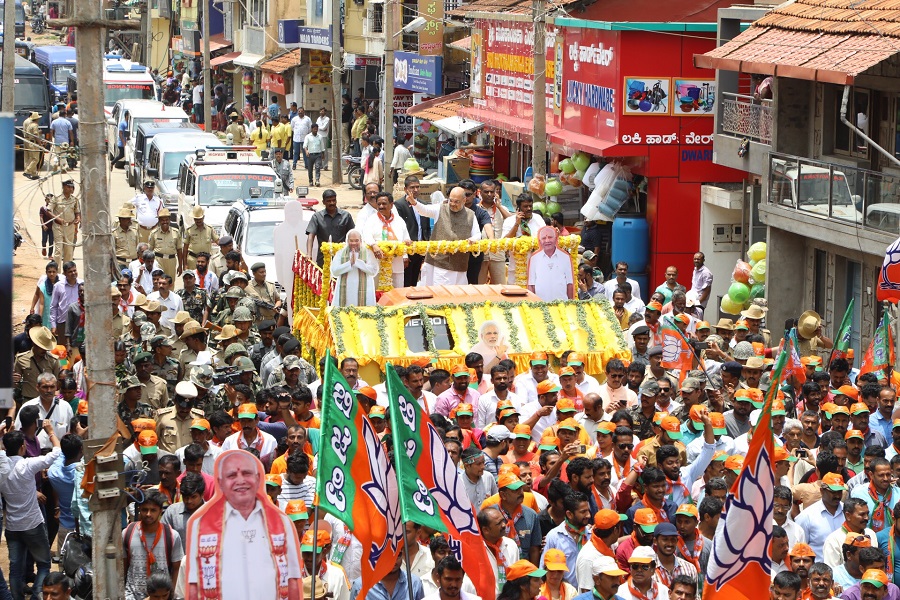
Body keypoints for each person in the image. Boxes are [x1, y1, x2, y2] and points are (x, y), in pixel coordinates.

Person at [185, 450, 302, 599]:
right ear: (220, 482)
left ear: (258, 478)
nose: (240, 481)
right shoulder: (201, 524)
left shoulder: (281, 522)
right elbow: (194, 584)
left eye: (246, 473)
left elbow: (292, 579)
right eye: (232, 475)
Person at [1, 423, 61, 600]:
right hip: (32, 523)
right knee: (43, 565)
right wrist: (51, 433)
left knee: (15, 569)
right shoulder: (27, 465)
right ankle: (36, 597)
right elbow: (56, 453)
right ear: (22, 447)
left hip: (12, 526)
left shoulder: (1, 468)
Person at [409, 187, 482, 285]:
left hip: (460, 262)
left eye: (456, 202)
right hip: (439, 261)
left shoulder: (471, 215)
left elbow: (477, 234)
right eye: (450, 200)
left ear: (464, 200)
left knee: (457, 294)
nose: (452, 204)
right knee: (439, 292)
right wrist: (415, 203)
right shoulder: (440, 208)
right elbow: (424, 210)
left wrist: (472, 240)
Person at [362, 192, 410, 288]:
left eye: (384, 203)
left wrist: (405, 255)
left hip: (397, 263)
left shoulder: (399, 220)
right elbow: (366, 235)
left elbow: (406, 238)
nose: (381, 206)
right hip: (377, 263)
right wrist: (374, 245)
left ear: (391, 205)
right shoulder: (372, 220)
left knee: (397, 292)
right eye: (378, 204)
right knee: (377, 293)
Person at [503, 194, 546, 284]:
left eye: (530, 206)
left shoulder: (538, 218)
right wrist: (516, 224)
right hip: (517, 268)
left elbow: (545, 237)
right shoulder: (509, 221)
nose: (529, 209)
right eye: (525, 206)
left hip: (537, 266)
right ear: (518, 208)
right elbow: (505, 242)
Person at [305, 189, 355, 267]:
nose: (332, 203)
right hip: (323, 259)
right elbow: (311, 236)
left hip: (343, 258)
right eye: (328, 201)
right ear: (323, 202)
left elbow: (353, 235)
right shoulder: (317, 217)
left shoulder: (346, 216)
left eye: (334, 200)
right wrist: (309, 253)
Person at [331, 229, 378, 307]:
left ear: (361, 241)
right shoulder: (340, 253)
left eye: (356, 240)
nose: (354, 243)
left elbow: (374, 271)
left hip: (365, 293)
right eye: (351, 240)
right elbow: (334, 272)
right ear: (347, 241)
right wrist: (349, 264)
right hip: (346, 293)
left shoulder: (368, 252)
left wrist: (358, 263)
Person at [527, 226, 573, 301]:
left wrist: (571, 303)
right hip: (541, 305)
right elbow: (531, 285)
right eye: (544, 238)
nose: (547, 241)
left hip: (562, 304)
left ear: (556, 239)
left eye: (550, 237)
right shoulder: (534, 258)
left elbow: (570, 284)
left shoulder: (565, 257)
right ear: (540, 241)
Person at [48, 180, 80, 264]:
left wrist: (78, 218)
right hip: (58, 227)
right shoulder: (56, 199)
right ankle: (57, 274)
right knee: (58, 250)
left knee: (69, 251)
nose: (71, 189)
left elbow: (77, 211)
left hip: (70, 227)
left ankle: (67, 274)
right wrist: (57, 219)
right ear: (63, 187)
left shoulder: (75, 200)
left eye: (72, 187)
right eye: (68, 187)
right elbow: (49, 211)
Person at [132, 180, 164, 245]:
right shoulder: (139, 198)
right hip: (142, 230)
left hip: (154, 230)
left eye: (151, 188)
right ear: (144, 188)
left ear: (154, 188)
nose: (150, 189)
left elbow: (162, 214)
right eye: (148, 187)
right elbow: (127, 205)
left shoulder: (158, 201)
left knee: (154, 250)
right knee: (142, 250)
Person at [23, 111, 43, 180]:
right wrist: (40, 144)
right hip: (33, 142)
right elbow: (35, 135)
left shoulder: (30, 124)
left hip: (28, 141)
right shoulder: (35, 125)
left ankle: (34, 174)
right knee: (35, 159)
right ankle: (27, 171)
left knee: (31, 157)